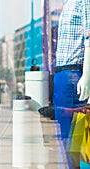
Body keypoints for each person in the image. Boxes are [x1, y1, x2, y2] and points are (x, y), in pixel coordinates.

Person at [54, 0, 90, 168]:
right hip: (62, 75)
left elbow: (89, 38)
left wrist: (87, 76)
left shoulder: (83, 1)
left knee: (77, 141)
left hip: (74, 75)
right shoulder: (68, 3)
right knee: (67, 139)